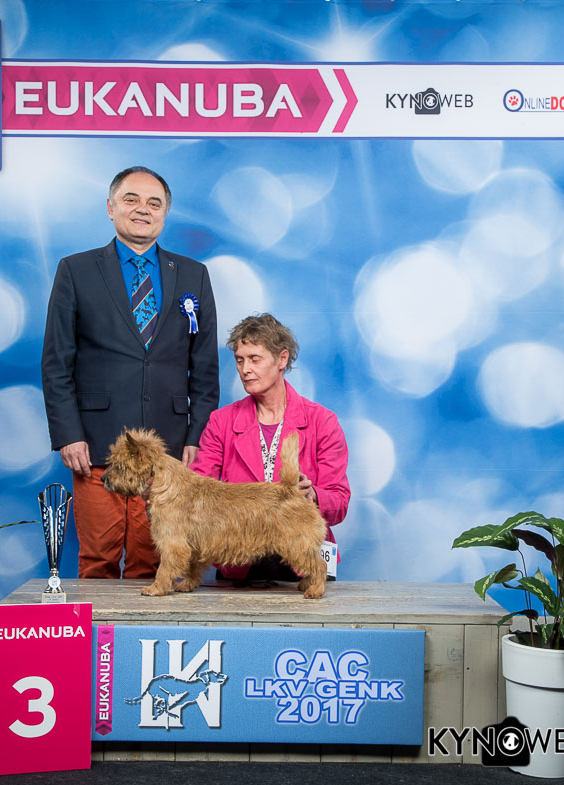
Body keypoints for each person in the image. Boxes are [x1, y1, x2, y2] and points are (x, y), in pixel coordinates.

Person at [41, 166, 219, 579]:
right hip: (96, 445)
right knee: (97, 559)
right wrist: (68, 433)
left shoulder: (193, 274)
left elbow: (205, 370)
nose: (143, 209)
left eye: (154, 203)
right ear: (111, 207)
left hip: (167, 451)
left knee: (156, 561)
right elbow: (56, 362)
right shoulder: (76, 270)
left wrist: (197, 437)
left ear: (165, 214)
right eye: (131, 199)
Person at [191, 313, 349, 581]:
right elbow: (198, 489)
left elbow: (340, 501)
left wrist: (312, 495)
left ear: (282, 359)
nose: (245, 369)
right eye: (239, 360)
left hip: (302, 563)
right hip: (240, 562)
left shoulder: (323, 421)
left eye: (255, 359)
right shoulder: (220, 421)